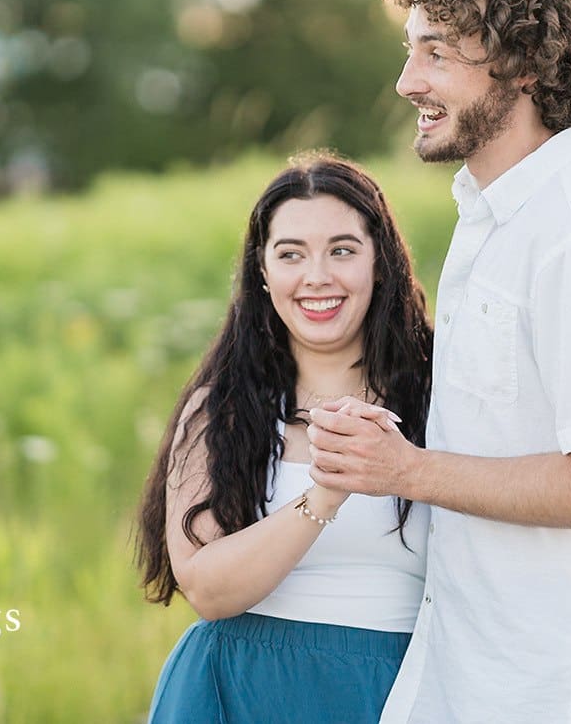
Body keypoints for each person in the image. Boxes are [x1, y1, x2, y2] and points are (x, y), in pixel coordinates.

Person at [307, 0, 571, 723]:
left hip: (549, 696)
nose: (409, 80)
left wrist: (407, 469)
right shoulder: (491, 222)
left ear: (518, 65)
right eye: (412, 49)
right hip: (466, 679)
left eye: (436, 52)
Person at [136, 154, 435, 723]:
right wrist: (324, 492)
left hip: (397, 688)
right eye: (291, 254)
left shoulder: (443, 398)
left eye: (342, 250)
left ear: (381, 264)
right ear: (264, 271)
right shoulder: (220, 408)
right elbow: (207, 589)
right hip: (239, 689)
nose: (316, 276)